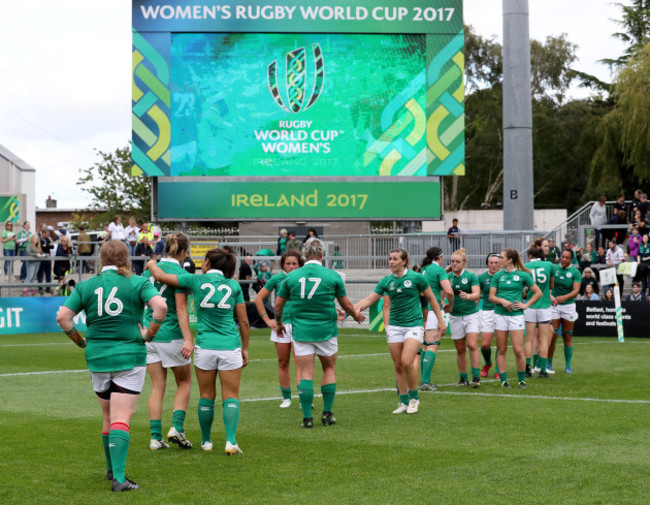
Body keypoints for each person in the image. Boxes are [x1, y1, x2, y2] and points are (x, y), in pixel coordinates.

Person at [56, 240, 167, 492]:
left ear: (101, 260)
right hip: (129, 357)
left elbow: (63, 317)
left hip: (97, 357)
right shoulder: (139, 282)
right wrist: (148, 335)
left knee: (107, 417)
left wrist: (80, 341)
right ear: (126, 259)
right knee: (121, 418)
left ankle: (110, 469)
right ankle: (119, 479)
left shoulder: (86, 286)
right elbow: (160, 307)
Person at [147, 248, 250, 455]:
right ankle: (230, 441)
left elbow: (159, 275)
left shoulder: (194, 281)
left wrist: (150, 263)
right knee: (230, 396)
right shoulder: (233, 285)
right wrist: (245, 348)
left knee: (206, 395)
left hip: (205, 346)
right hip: (230, 345)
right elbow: (245, 322)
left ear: (207, 263)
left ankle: (206, 441)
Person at [275, 240, 363, 428]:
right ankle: (327, 414)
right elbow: (346, 304)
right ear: (322, 255)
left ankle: (307, 418)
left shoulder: (291, 277)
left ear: (305, 255)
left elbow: (278, 305)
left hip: (301, 332)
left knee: (305, 373)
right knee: (328, 370)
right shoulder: (333, 276)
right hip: (326, 331)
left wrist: (280, 323)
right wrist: (356, 316)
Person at [356, 248, 444, 414]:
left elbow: (432, 299)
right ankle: (403, 402)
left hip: (414, 325)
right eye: (390, 258)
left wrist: (440, 320)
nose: (391, 261)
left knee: (406, 361)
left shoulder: (417, 278)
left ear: (404, 261)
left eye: (395, 259)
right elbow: (369, 299)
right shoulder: (387, 281)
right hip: (395, 327)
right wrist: (349, 311)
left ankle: (414, 398)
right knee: (398, 366)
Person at [141, 234, 194, 450]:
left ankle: (155, 438)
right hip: (171, 333)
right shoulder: (181, 273)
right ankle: (177, 428)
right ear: (184, 252)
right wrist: (189, 339)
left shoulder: (148, 271)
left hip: (150, 334)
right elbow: (181, 308)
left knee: (157, 387)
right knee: (184, 382)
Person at [254, 250, 304, 408]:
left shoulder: (304, 278)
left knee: (301, 363)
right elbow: (259, 299)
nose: (291, 266)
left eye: (294, 263)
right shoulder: (277, 278)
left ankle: (304, 399)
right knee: (283, 362)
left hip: (301, 325)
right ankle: (286, 398)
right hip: (281, 326)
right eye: (288, 263)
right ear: (283, 264)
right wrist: (267, 320)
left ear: (300, 265)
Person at [488, 249, 542, 389]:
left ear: (510, 260)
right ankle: (504, 381)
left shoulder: (523, 275)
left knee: (518, 350)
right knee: (501, 349)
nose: (499, 260)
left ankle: (521, 380)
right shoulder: (498, 276)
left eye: (501, 257)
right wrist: (502, 301)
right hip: (500, 315)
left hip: (516, 316)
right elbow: (491, 297)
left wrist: (526, 305)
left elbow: (538, 292)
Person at [444, 249, 481, 387]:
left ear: (464, 263)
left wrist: (468, 296)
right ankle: (463, 378)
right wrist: (444, 305)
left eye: (457, 261)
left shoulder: (471, 276)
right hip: (455, 316)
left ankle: (476, 377)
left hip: (471, 314)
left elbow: (477, 294)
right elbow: (442, 296)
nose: (454, 264)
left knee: (472, 345)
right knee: (460, 349)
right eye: (452, 261)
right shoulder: (447, 277)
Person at [419, 247, 454, 390]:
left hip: (421, 309)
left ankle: (424, 380)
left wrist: (445, 271)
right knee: (432, 344)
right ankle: (426, 381)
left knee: (424, 345)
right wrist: (450, 304)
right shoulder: (438, 270)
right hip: (433, 310)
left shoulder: (423, 269)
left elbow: (430, 281)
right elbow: (448, 291)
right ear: (440, 257)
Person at [548, 249, 582, 374]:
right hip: (554, 305)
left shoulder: (575, 272)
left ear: (571, 259)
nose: (564, 259)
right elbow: (548, 285)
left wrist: (565, 297)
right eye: (562, 257)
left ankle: (568, 366)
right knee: (553, 335)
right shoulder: (554, 269)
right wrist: (551, 296)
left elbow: (576, 290)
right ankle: (549, 363)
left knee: (567, 335)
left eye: (567, 257)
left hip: (568, 306)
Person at [523, 247, 554, 378]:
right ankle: (542, 370)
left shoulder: (525, 266)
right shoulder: (548, 264)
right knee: (544, 339)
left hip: (530, 305)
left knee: (529, 340)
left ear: (530, 256)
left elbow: (523, 287)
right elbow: (551, 284)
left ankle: (527, 369)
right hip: (545, 305)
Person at [478, 252, 501, 379]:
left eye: (496, 263)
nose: (493, 265)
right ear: (487, 264)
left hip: (502, 311)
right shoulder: (481, 278)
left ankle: (498, 370)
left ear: (500, 264)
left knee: (500, 343)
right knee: (485, 344)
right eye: (491, 263)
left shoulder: (505, 276)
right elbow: (477, 294)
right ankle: (488, 363)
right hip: (487, 311)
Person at [37, 224, 54, 293]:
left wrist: (46, 246)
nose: (48, 235)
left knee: (48, 274)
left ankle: (48, 288)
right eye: (47, 234)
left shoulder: (48, 239)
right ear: (43, 233)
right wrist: (47, 246)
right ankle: (40, 289)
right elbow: (41, 248)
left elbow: (52, 247)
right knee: (40, 274)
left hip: (47, 259)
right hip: (41, 259)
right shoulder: (39, 239)